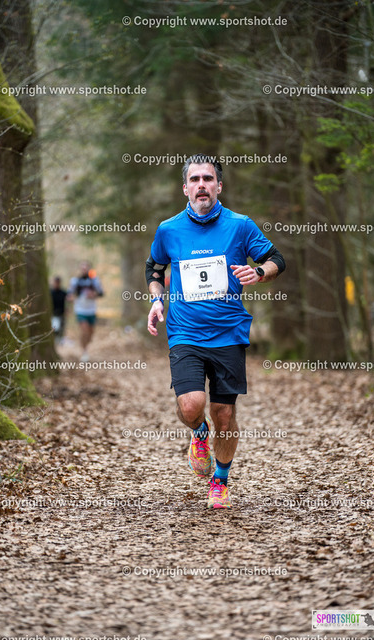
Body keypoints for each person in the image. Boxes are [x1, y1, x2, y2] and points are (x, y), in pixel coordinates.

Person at [145, 154, 285, 509]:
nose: (202, 185)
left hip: (228, 333)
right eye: (195, 179)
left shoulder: (240, 225)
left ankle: (220, 480)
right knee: (192, 405)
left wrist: (260, 272)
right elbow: (154, 268)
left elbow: (276, 259)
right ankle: (198, 432)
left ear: (219, 186)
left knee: (224, 415)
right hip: (185, 333)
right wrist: (157, 300)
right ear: (185, 188)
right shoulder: (169, 229)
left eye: (208, 178)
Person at [68, 261, 104, 362]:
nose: (84, 269)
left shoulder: (95, 280)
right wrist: (71, 299)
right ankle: (84, 352)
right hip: (80, 309)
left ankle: (86, 346)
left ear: (89, 269)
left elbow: (101, 293)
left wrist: (94, 294)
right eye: (82, 267)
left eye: (86, 267)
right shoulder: (75, 281)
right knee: (84, 330)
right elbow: (70, 294)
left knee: (91, 332)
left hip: (91, 310)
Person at [50, 276, 67, 343]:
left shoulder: (63, 292)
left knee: (61, 329)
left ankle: (59, 341)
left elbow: (67, 301)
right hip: (53, 314)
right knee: (55, 329)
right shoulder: (50, 292)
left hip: (61, 313)